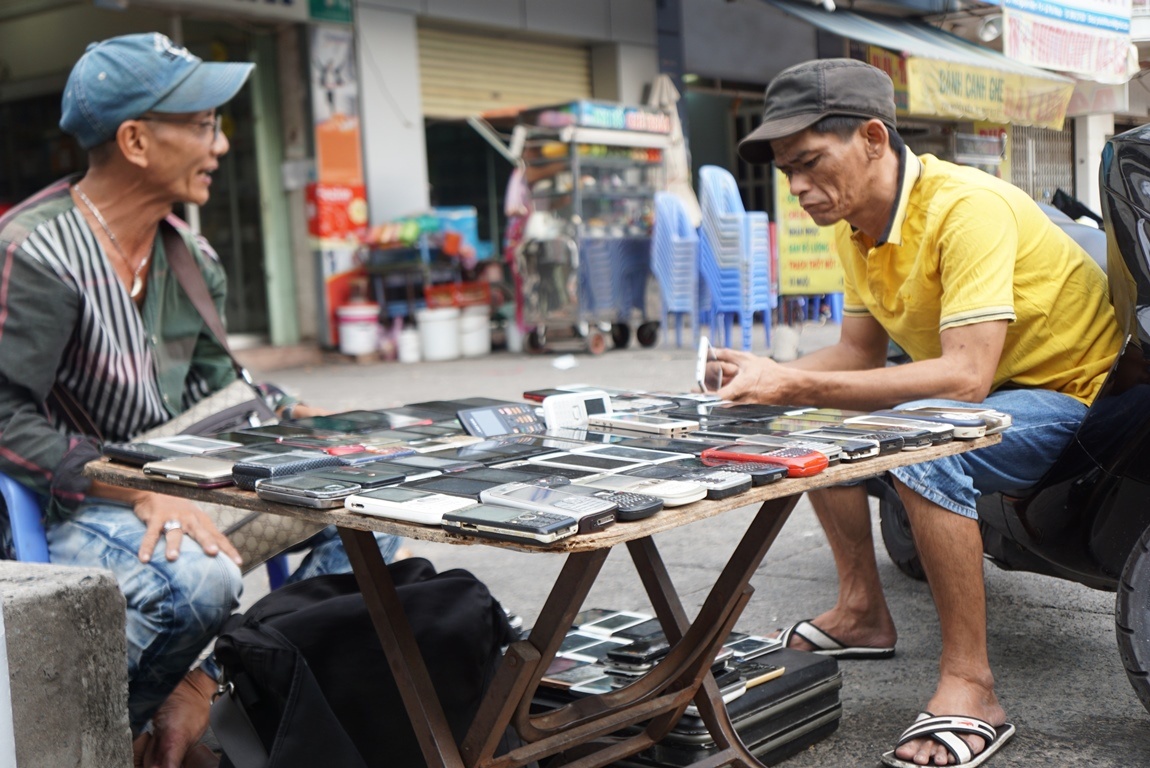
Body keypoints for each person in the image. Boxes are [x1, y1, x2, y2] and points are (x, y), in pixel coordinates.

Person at [0, 32, 399, 766]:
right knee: (198, 580)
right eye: (204, 124)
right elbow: (4, 418)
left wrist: (292, 414)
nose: (220, 145)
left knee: (370, 508)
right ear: (135, 141)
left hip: (178, 488)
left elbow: (219, 388)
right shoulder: (38, 254)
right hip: (69, 509)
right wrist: (133, 488)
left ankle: (205, 684)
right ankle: (96, 740)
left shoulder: (190, 254)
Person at [711, 59, 1122, 767]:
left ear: (873, 138)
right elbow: (855, 353)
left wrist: (794, 382)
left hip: (1073, 397)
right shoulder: (855, 227)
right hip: (991, 393)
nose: (797, 187)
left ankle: (972, 688)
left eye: (809, 162)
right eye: (786, 172)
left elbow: (964, 378)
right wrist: (759, 379)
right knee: (809, 417)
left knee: (925, 442)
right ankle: (861, 612)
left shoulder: (965, 207)